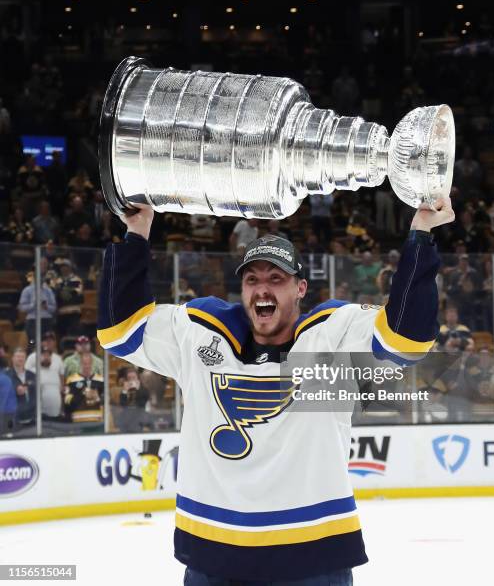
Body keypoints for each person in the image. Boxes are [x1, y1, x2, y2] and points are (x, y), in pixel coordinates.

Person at [97, 197, 454, 585]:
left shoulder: (330, 336)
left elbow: (408, 338)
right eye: (252, 280)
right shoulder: (202, 332)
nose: (262, 289)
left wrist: (421, 233)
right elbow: (120, 332)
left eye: (276, 279)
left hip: (314, 556)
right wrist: (137, 230)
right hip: (213, 554)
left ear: (300, 288)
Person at [64, 352, 104, 426]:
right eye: (84, 363)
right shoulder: (71, 380)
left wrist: (98, 397)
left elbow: (107, 401)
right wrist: (81, 394)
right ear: (80, 364)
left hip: (97, 420)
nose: (87, 366)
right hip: (78, 421)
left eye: (89, 363)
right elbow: (67, 402)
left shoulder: (101, 380)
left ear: (92, 364)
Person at [17, 270, 57, 342]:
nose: (40, 279)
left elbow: (54, 308)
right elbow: (22, 307)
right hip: (32, 320)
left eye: (42, 277)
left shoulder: (49, 291)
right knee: (33, 342)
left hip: (46, 320)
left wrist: (46, 307)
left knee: (46, 341)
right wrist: (33, 304)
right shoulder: (27, 290)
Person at [5, 347, 36, 429]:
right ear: (12, 358)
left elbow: (36, 395)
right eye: (18, 356)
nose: (20, 359)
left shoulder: (32, 375)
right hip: (13, 419)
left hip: (32, 419)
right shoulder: (6, 375)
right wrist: (15, 390)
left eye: (22, 357)